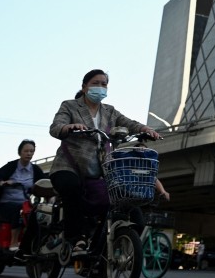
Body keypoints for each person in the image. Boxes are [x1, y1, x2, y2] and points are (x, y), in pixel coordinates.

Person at [49, 69, 160, 253]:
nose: (100, 87)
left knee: (124, 199)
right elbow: (56, 127)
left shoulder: (110, 111)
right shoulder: (69, 106)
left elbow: (129, 123)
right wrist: (68, 127)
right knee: (72, 187)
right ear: (84, 87)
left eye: (104, 84)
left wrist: (145, 128)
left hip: (100, 170)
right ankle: (76, 239)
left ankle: (105, 248)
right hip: (68, 166)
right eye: (95, 83)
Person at [0, 139, 46, 250]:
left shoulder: (35, 169)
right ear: (20, 152)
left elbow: (44, 182)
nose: (29, 154)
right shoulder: (11, 166)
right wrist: (2, 183)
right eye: (26, 151)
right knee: (19, 210)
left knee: (41, 213)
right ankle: (13, 242)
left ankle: (35, 244)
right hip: (7, 203)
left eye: (31, 151)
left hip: (28, 202)